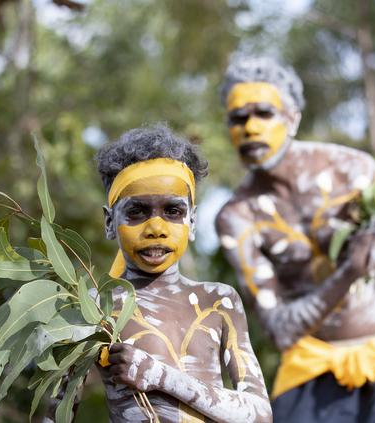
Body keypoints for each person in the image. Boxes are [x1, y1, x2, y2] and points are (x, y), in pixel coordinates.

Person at [215, 57, 375, 422]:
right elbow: (279, 330)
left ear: (293, 118)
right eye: (238, 118)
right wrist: (349, 273)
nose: (250, 128)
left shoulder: (354, 171)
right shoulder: (238, 216)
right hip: (307, 371)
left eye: (264, 113)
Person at [93, 124, 271, 422]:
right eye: (136, 212)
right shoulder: (94, 308)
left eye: (172, 211)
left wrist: (159, 375)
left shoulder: (218, 302)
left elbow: (259, 414)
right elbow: (55, 411)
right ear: (110, 222)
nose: (156, 229)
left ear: (193, 220)